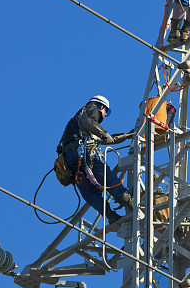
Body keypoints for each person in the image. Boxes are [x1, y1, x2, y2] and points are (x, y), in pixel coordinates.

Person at [57, 95, 133, 224]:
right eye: (105, 111)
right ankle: (129, 200)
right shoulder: (92, 109)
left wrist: (126, 136)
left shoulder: (76, 126)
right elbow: (90, 123)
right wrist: (104, 133)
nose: (104, 115)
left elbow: (106, 139)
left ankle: (111, 216)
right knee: (106, 177)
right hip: (85, 152)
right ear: (100, 106)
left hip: (70, 161)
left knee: (89, 193)